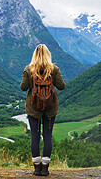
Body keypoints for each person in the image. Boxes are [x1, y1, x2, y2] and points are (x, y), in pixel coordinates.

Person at [20, 43, 66, 176]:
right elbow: (61, 86)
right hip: (50, 109)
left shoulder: (29, 69)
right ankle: (45, 169)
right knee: (47, 136)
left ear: (34, 55)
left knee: (35, 136)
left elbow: (23, 87)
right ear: (48, 55)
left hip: (33, 108)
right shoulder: (54, 69)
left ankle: (36, 169)